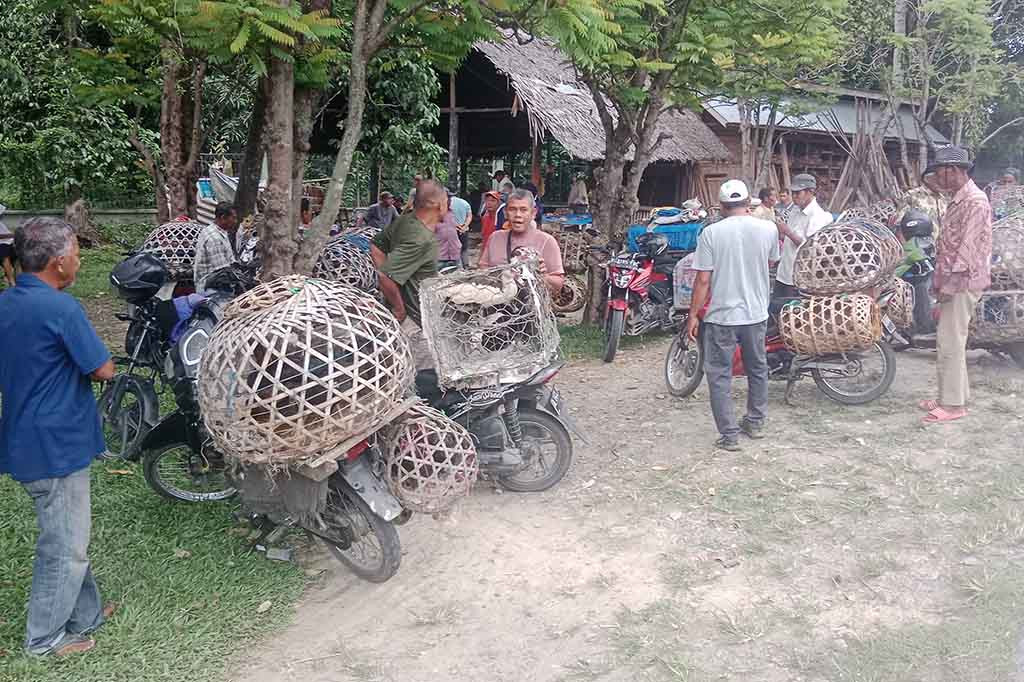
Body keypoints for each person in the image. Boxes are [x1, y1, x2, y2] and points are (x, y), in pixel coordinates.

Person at [0, 218, 117, 657]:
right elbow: (102, 368)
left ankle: (84, 615)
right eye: (76, 253)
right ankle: (44, 639)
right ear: (58, 262)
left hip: (24, 438)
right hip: (56, 443)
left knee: (68, 534)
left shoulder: (6, 304)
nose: (79, 260)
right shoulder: (60, 308)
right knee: (64, 547)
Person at [687, 180, 780, 452]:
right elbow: (771, 261)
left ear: (722, 206)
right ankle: (755, 421)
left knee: (719, 375)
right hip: (755, 313)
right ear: (749, 201)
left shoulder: (711, 233)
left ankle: (729, 435)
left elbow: (703, 280)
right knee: (757, 368)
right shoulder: (769, 229)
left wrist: (693, 315)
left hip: (721, 317)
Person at [919, 145, 992, 423]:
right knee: (949, 340)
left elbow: (967, 251)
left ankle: (953, 406)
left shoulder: (974, 201)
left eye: (940, 171)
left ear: (954, 170)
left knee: (950, 341)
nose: (938, 177)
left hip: (962, 282)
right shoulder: (959, 198)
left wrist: (948, 287)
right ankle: (949, 397)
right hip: (952, 279)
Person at [370, 179, 445, 326]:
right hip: (416, 318)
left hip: (402, 308)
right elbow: (385, 275)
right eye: (446, 200)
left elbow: (376, 245)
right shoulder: (422, 239)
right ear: (437, 204)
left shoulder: (405, 220)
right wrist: (399, 309)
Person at [479, 189, 564, 293]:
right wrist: (500, 276)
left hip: (531, 307)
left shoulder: (547, 241)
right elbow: (483, 268)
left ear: (533, 213)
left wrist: (541, 276)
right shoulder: (495, 238)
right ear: (505, 212)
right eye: (512, 209)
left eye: (523, 210)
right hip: (496, 305)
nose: (517, 214)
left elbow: (558, 285)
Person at [773, 174, 833, 299]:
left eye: (798, 193)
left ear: (810, 192)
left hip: (799, 278)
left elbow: (810, 248)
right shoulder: (795, 211)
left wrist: (787, 231)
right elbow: (788, 239)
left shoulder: (819, 216)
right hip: (784, 273)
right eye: (793, 193)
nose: (794, 196)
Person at [194, 201, 240, 293]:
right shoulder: (214, 238)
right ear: (223, 218)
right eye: (233, 218)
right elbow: (222, 271)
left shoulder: (215, 231)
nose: (235, 222)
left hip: (212, 282)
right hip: (211, 287)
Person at [436, 193, 463, 270]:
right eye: (447, 198)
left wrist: (459, 228)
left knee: (458, 280)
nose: (449, 201)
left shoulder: (451, 213)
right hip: (439, 257)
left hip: (455, 255)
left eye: (450, 198)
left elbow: (452, 228)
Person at [447, 188, 472, 265]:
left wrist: (456, 226)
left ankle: (458, 267)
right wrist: (464, 226)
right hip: (464, 230)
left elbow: (448, 217)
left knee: (454, 249)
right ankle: (466, 265)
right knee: (464, 249)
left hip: (453, 230)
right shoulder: (464, 202)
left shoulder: (447, 203)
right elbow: (469, 216)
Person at [0, 204, 15, 287]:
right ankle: (11, 281)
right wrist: (12, 235)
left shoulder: (1, 223)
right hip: (2, 244)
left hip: (8, 242)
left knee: (21, 254)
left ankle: (17, 279)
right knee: (4, 256)